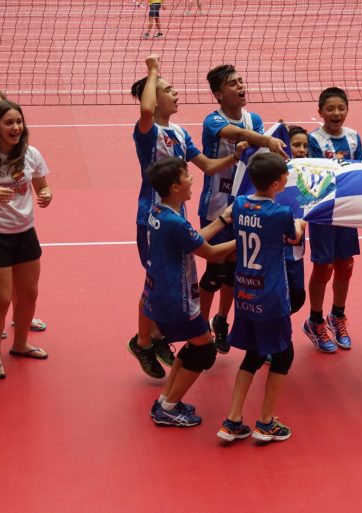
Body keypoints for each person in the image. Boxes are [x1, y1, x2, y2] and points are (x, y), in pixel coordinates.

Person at [128, 54, 240, 379]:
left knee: (169, 276)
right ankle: (143, 341)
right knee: (155, 280)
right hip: (152, 218)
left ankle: (157, 336)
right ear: (154, 94)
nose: (176, 93)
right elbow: (146, 110)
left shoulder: (178, 132)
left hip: (177, 216)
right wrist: (152, 71)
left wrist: (237, 154)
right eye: (168, 89)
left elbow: (205, 165)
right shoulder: (147, 133)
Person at [200, 64, 288, 354]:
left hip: (245, 207)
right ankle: (200, 329)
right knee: (214, 273)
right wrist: (266, 138)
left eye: (241, 81)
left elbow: (259, 157)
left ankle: (222, 321)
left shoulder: (255, 118)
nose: (241, 86)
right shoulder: (212, 121)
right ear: (218, 94)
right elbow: (241, 135)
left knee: (235, 270)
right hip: (216, 207)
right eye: (233, 83)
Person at [217, 153, 304, 443]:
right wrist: (302, 225)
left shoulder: (240, 204)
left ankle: (233, 419)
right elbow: (293, 237)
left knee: (253, 354)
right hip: (270, 295)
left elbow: (236, 219)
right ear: (280, 183)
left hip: (244, 291)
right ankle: (266, 422)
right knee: (284, 354)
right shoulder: (280, 213)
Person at [143, 157, 236, 427]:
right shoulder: (176, 223)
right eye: (187, 176)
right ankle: (169, 407)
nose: (192, 179)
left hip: (161, 293)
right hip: (177, 298)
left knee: (196, 346)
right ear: (174, 187)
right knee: (205, 351)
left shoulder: (160, 213)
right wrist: (243, 239)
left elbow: (193, 236)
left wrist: (222, 219)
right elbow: (209, 251)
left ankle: (165, 401)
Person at [0, 99, 52, 379]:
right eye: (9, 123)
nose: (16, 127)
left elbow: (42, 185)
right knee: (2, 299)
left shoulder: (31, 154)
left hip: (25, 232)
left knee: (29, 294)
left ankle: (20, 344)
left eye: (19, 122)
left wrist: (46, 194)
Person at [302, 87, 362, 353]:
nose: (336, 113)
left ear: (347, 110)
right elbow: (316, 175)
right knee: (323, 267)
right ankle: (315, 320)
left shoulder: (353, 138)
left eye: (341, 108)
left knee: (346, 265)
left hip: (347, 210)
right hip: (324, 211)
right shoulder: (314, 139)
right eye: (330, 109)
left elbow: (359, 170)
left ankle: (337, 316)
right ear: (320, 112)